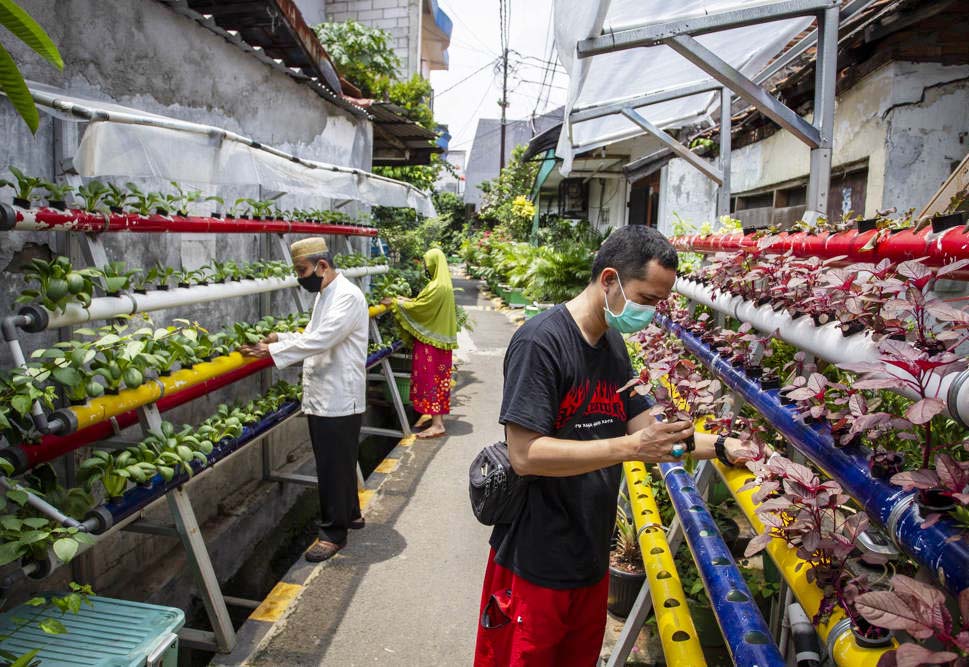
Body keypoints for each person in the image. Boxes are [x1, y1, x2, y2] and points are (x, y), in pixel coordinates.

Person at [474, 225, 754, 666]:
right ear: (609, 280)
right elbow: (525, 455)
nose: (651, 313)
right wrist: (629, 447)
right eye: (646, 300)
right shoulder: (540, 342)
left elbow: (652, 434)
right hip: (534, 560)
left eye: (659, 303)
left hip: (589, 556)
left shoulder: (612, 345)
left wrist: (720, 446)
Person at [240, 237, 369, 563]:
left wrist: (271, 351)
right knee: (341, 460)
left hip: (339, 394)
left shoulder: (347, 297)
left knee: (332, 465)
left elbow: (323, 338)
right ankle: (351, 514)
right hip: (330, 393)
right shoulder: (327, 294)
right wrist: (279, 338)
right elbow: (313, 333)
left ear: (322, 266)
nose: (300, 278)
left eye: (303, 270)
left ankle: (332, 534)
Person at [383, 247, 458, 439]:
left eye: (427, 263)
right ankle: (436, 419)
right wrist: (403, 300)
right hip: (440, 343)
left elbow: (420, 308)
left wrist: (396, 303)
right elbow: (421, 302)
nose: (425, 266)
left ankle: (437, 424)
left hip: (431, 345)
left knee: (430, 380)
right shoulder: (443, 284)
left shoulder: (436, 287)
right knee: (438, 381)